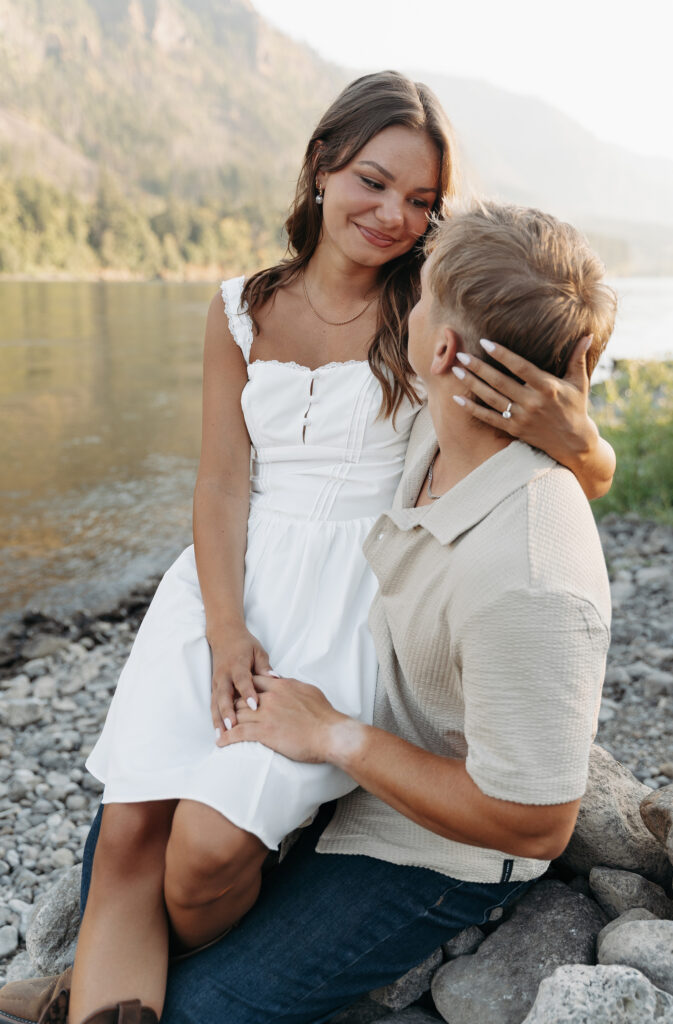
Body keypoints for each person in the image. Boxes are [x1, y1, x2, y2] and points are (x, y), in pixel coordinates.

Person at [0, 79, 614, 1024]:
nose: (394, 216)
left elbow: (552, 461)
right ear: (322, 163)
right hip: (231, 588)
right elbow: (219, 483)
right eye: (373, 181)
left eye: (421, 203)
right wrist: (223, 624)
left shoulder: (428, 322)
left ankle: (110, 981)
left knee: (205, 845)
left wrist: (589, 439)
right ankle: (99, 993)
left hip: (342, 606)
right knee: (127, 830)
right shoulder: (242, 307)